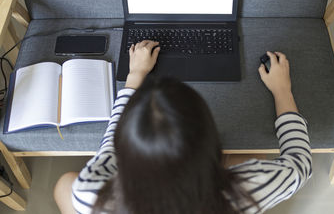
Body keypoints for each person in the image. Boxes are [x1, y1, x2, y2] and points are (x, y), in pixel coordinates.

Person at [54, 40, 312, 214]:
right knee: (257, 156)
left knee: (65, 185)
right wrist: (282, 90)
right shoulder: (251, 187)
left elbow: (110, 144)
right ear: (210, 142)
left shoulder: (89, 191)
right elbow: (300, 164)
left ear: (127, 149)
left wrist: (135, 76)